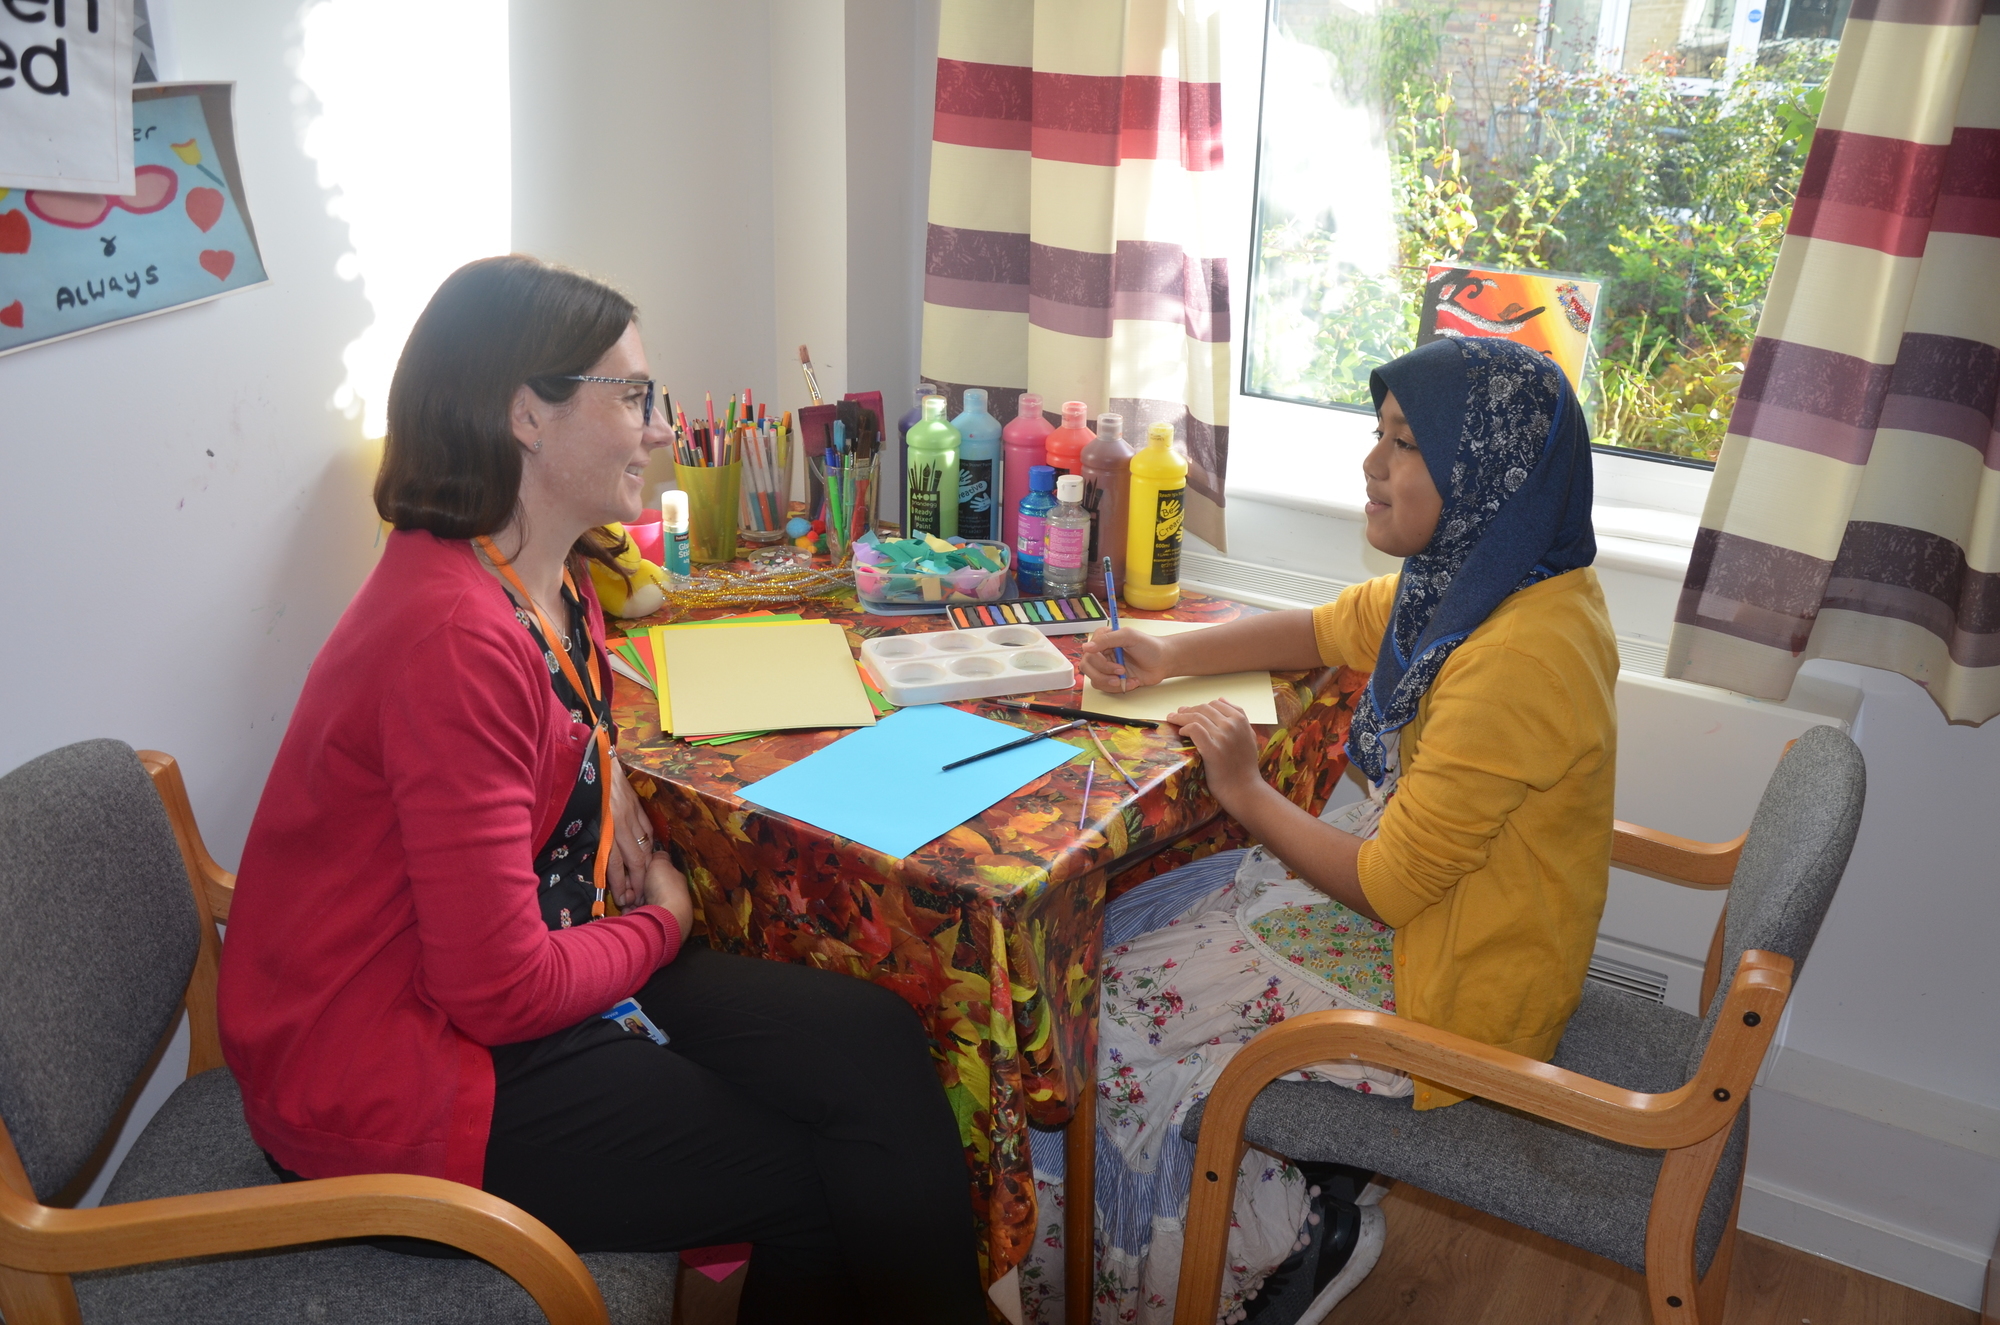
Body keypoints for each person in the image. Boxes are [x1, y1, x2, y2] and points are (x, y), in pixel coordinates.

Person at [217, 255, 988, 1325]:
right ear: (524, 413)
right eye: (632, 397)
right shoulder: (449, 633)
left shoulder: (539, 570)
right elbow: (496, 988)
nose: (660, 426)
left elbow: (540, 726)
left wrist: (604, 772)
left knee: (869, 1039)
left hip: (503, 981)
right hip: (400, 1074)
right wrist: (665, 924)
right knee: (818, 1176)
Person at [1022, 335, 1617, 1325]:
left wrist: (1246, 789)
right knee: (1108, 933)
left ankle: (1281, 1236)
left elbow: (1384, 885)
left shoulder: (1518, 655)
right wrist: (1170, 648)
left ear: (1481, 474)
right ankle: (1244, 1196)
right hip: (1449, 924)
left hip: (1448, 986)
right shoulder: (1492, 576)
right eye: (1375, 435)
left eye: (1403, 445)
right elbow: (1328, 626)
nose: (1370, 465)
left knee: (1103, 1012)